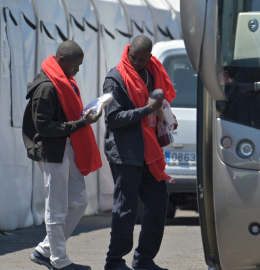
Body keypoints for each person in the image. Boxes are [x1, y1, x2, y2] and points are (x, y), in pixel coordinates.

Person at [22, 40, 103, 270]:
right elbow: (45, 128)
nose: (77, 71)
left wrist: (82, 118)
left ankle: (45, 250)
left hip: (64, 145)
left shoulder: (61, 80)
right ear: (61, 61)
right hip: (50, 150)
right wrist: (80, 123)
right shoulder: (47, 87)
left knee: (79, 201)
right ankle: (59, 261)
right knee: (56, 207)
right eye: (75, 67)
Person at [102, 35, 177, 270]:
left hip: (149, 151)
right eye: (134, 58)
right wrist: (146, 110)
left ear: (150, 58)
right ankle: (114, 262)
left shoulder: (153, 72)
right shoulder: (115, 78)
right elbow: (113, 119)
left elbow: (158, 106)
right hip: (125, 152)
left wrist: (165, 118)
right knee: (126, 209)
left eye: (143, 60)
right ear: (129, 52)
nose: (137, 63)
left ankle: (144, 259)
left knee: (158, 202)